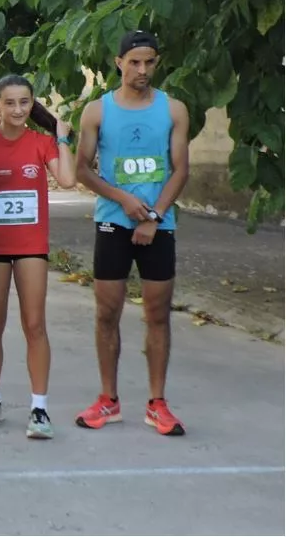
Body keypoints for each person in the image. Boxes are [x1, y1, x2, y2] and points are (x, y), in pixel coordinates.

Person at [73, 30, 190, 436]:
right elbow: (82, 168)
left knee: (158, 314)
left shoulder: (173, 110)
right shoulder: (96, 111)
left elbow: (181, 170)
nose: (142, 70)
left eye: (150, 62)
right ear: (118, 62)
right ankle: (108, 399)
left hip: (159, 225)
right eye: (134, 62)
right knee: (108, 313)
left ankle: (157, 403)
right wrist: (122, 199)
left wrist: (153, 216)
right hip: (112, 222)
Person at [0, 76, 76, 439]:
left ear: (32, 105)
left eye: (25, 103)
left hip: (31, 245)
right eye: (10, 103)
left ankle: (39, 408)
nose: (18, 110)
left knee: (35, 325)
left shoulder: (41, 143)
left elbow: (66, 179)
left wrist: (62, 136)